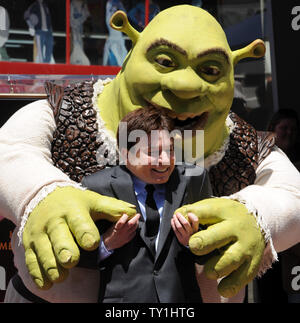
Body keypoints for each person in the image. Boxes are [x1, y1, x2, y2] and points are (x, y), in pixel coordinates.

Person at [1, 5, 300, 303]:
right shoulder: (68, 111)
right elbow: (10, 151)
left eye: (210, 70)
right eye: (166, 61)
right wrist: (41, 193)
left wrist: (258, 215)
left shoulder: (242, 144)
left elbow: (292, 193)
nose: (185, 86)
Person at [82, 106, 212, 303]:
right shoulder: (96, 187)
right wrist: (107, 244)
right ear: (126, 154)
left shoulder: (194, 180)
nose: (165, 161)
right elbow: (78, 259)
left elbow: (213, 251)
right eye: (153, 152)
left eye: (170, 150)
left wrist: (192, 242)